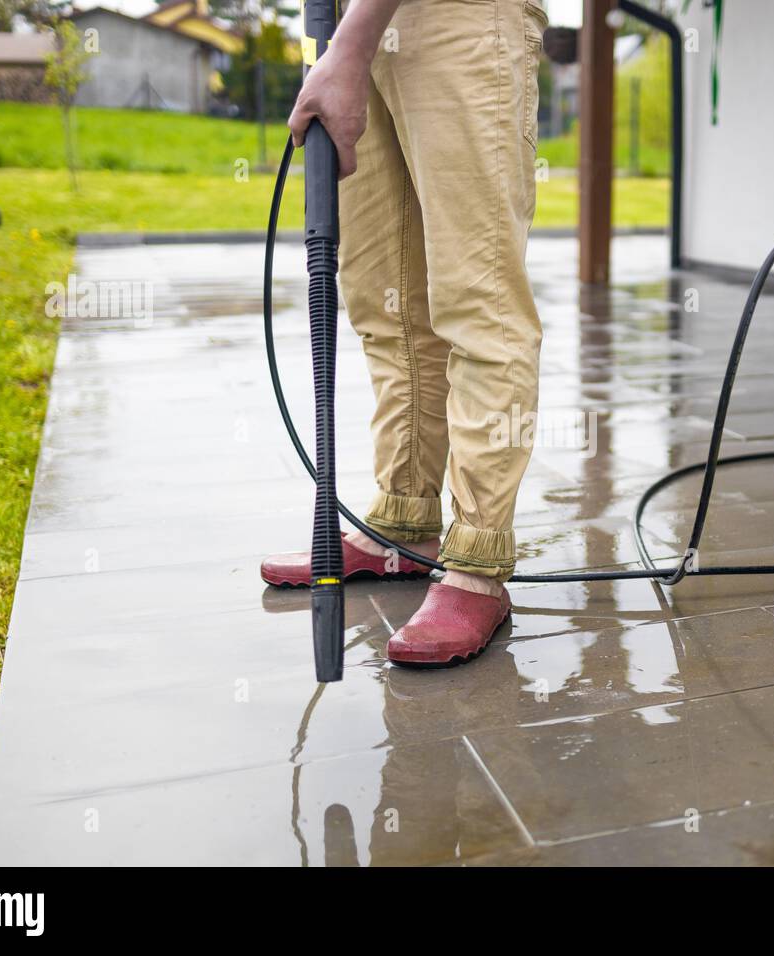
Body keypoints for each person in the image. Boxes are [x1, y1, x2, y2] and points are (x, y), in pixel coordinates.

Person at [261, 0, 549, 668]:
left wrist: (350, 47)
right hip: (356, 27)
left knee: (477, 299)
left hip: (460, 19)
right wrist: (347, 40)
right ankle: (402, 518)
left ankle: (478, 562)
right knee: (386, 300)